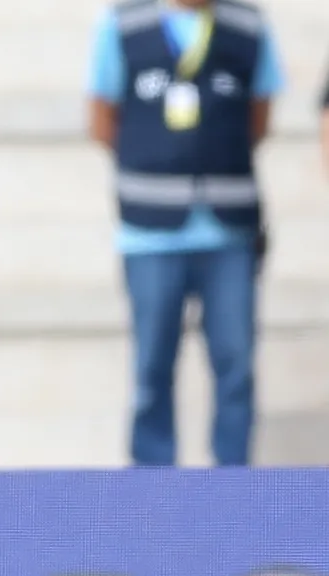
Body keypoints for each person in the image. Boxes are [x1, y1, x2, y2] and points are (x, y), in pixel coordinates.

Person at [86, 0, 284, 466]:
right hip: (150, 232)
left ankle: (234, 486)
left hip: (228, 232)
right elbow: (101, 118)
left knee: (235, 366)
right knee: (152, 367)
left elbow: (258, 117)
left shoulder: (248, 25)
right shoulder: (123, 25)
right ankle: (154, 490)